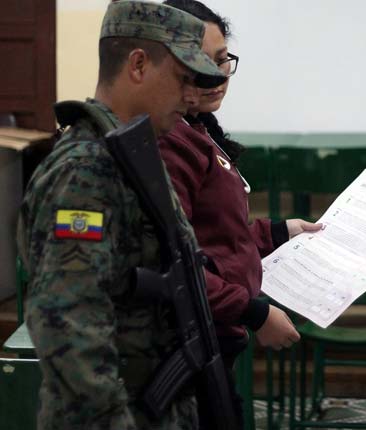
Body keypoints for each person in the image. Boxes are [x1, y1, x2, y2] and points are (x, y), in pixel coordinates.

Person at [16, 1, 228, 429]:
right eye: (183, 79)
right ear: (137, 65)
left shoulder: (131, 157)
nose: (192, 98)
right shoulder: (86, 171)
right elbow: (68, 322)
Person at [158, 0, 320, 426]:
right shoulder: (170, 140)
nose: (216, 75)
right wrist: (255, 312)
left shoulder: (197, 129)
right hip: (192, 334)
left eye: (222, 60)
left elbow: (215, 234)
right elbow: (174, 259)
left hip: (217, 329)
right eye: (200, 62)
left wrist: (280, 231)